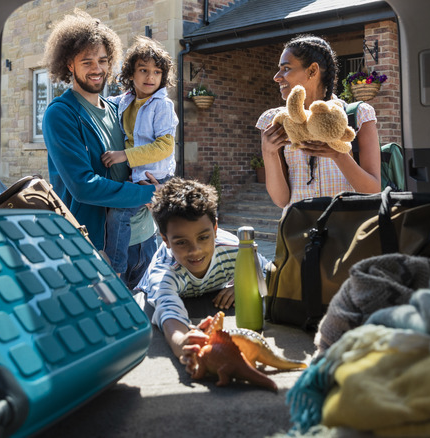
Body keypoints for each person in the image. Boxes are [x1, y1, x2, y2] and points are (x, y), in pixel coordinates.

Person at [41, 10, 159, 289]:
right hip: (99, 249)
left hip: (145, 240)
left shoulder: (118, 108)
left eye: (103, 60)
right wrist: (150, 192)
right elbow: (83, 186)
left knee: (151, 326)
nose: (97, 69)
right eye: (87, 61)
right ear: (69, 64)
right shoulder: (61, 114)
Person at [133, 177, 269, 359]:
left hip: (207, 297)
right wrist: (182, 342)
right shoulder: (165, 270)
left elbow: (269, 270)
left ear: (215, 228)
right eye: (181, 242)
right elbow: (167, 308)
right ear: (165, 240)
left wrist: (243, 284)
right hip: (150, 299)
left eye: (204, 237)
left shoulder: (235, 250)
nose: (195, 250)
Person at [256, 34, 382, 212]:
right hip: (298, 231)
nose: (277, 77)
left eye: (286, 68)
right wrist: (269, 152)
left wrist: (338, 154)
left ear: (312, 71)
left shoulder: (357, 115)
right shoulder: (274, 121)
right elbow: (281, 200)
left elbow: (373, 191)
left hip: (347, 231)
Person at [101, 36, 179, 278]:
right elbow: (100, 104)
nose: (150, 77)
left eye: (157, 72)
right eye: (143, 70)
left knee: (120, 212)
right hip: (136, 178)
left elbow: (165, 146)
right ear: (130, 74)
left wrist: (124, 156)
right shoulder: (124, 101)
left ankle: (116, 269)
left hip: (156, 177)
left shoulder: (162, 105)